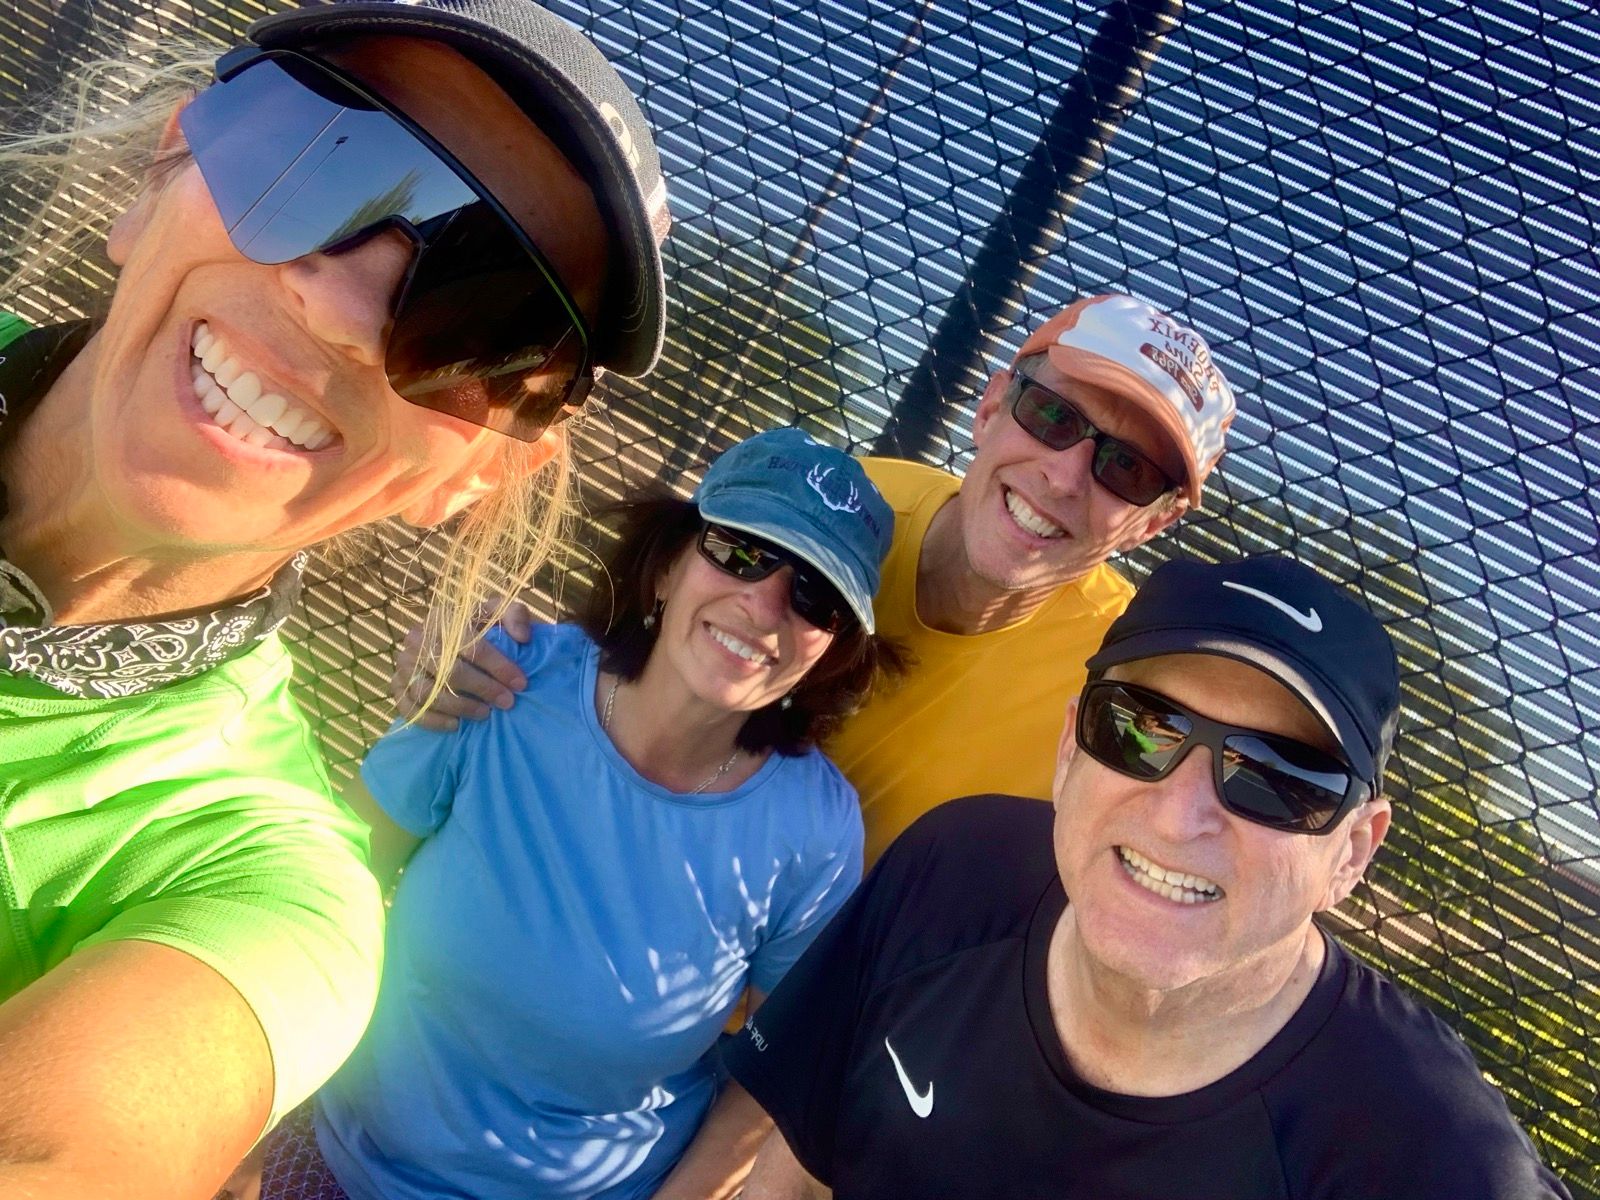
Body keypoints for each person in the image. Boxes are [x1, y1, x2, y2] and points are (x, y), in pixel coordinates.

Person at [0, 1, 669, 1195]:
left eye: (490, 315)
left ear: (470, 481)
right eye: (318, 152)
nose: (346, 313)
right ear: (162, 169)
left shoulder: (260, 883)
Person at [723, 555, 1572, 1199]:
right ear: (1069, 748)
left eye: (1278, 778)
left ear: (1351, 852)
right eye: (1139, 727)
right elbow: (790, 1176)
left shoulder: (1425, 1160)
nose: (1179, 815)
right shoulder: (952, 872)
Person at [255, 429, 905, 1200]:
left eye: (815, 596)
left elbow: (772, 1074)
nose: (764, 604)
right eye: (740, 551)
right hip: (342, 1156)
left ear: (830, 650)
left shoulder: (813, 833)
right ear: (667, 567)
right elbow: (337, 873)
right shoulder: (503, 677)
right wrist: (247, 1103)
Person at [393, 292, 1239, 862]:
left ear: (1153, 523)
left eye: (1127, 471)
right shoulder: (855, 505)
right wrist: (499, 657)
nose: (1064, 474)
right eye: (1051, 415)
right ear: (991, 406)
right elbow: (643, 639)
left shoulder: (1124, 686)